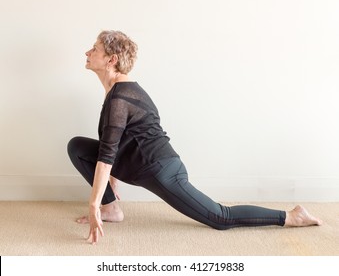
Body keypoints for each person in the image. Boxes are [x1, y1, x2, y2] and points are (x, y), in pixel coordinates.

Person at [67, 30, 322, 245]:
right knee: (77, 146)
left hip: (161, 170)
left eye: (94, 49)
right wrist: (107, 195)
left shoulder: (121, 97)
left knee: (220, 218)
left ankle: (291, 216)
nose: (87, 53)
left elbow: (108, 154)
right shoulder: (118, 92)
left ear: (111, 59)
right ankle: (112, 210)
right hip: (140, 164)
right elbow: (111, 146)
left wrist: (93, 204)